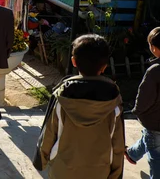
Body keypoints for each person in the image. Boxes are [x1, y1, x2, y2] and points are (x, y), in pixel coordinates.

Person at [33, 34, 124, 179]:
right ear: (105, 66)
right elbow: (117, 143)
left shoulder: (62, 97)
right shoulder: (113, 101)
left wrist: (41, 160)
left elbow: (49, 133)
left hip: (62, 170)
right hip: (99, 171)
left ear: (74, 62)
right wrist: (116, 173)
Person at [125, 27, 160, 174]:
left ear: (154, 48)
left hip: (155, 122)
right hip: (154, 123)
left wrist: (137, 111)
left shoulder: (154, 71)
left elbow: (144, 96)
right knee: (151, 140)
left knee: (156, 156)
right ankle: (132, 153)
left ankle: (132, 154)